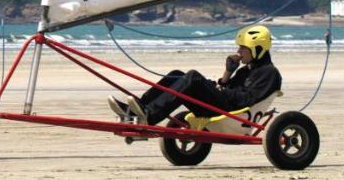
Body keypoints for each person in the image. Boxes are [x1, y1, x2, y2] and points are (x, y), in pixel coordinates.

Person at [107, 24, 281, 126]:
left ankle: (149, 115)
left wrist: (217, 90)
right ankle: (139, 108)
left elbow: (246, 101)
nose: (238, 51)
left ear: (257, 49)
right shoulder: (245, 70)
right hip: (224, 105)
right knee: (176, 75)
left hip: (233, 115)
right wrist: (229, 71)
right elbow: (227, 88)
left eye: (243, 48)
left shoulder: (269, 73)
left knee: (192, 76)